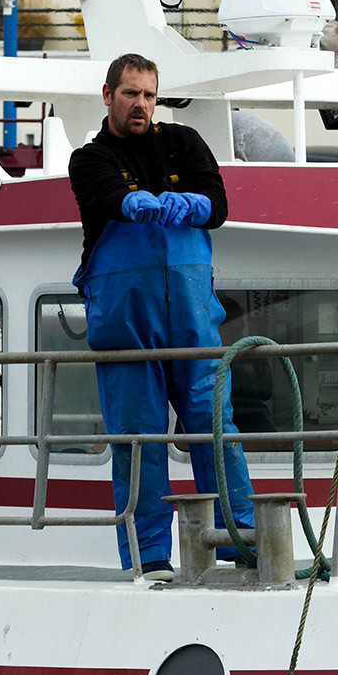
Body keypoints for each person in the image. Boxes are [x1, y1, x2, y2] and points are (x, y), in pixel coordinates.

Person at [68, 53, 255, 580]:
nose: (141, 104)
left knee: (215, 429)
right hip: (127, 329)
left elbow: (217, 203)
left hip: (194, 326)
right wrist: (135, 203)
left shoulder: (184, 142)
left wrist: (191, 206)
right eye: (131, 93)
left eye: (149, 95)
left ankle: (240, 540)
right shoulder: (89, 159)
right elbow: (108, 195)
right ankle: (149, 557)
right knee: (138, 440)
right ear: (108, 95)